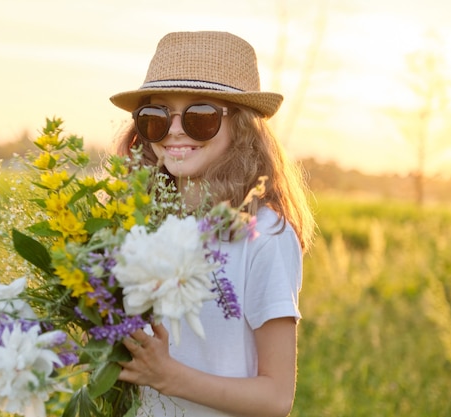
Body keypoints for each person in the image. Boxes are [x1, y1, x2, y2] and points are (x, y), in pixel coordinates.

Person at [109, 31, 315, 417]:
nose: (174, 130)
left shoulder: (265, 233)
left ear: (242, 126)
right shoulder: (135, 220)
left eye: (200, 116)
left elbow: (276, 398)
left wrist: (167, 375)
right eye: (155, 116)